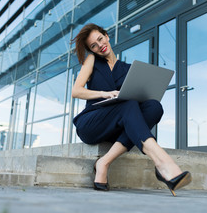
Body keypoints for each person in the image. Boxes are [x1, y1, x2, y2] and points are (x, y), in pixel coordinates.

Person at [71, 23, 191, 196]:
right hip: (91, 123)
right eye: (93, 46)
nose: (99, 46)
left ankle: (104, 162)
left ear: (107, 36)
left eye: (100, 39)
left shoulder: (128, 69)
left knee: (154, 107)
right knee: (128, 104)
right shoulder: (92, 61)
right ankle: (163, 162)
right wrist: (105, 94)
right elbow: (76, 91)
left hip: (118, 125)